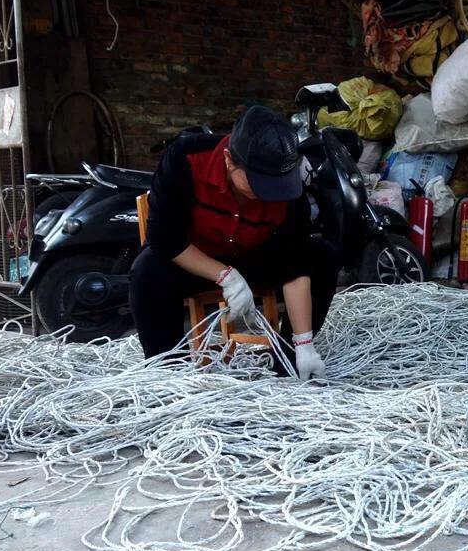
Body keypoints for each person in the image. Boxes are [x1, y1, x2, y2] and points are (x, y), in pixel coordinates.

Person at [129, 105, 339, 379]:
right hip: (197, 260)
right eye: (260, 183)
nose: (271, 194)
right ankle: (167, 373)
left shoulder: (288, 190)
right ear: (229, 160)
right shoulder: (185, 159)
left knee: (321, 256)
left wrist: (304, 343)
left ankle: (290, 363)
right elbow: (165, 240)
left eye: (279, 183)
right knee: (147, 271)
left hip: (256, 255)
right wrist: (225, 276)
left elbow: (295, 261)